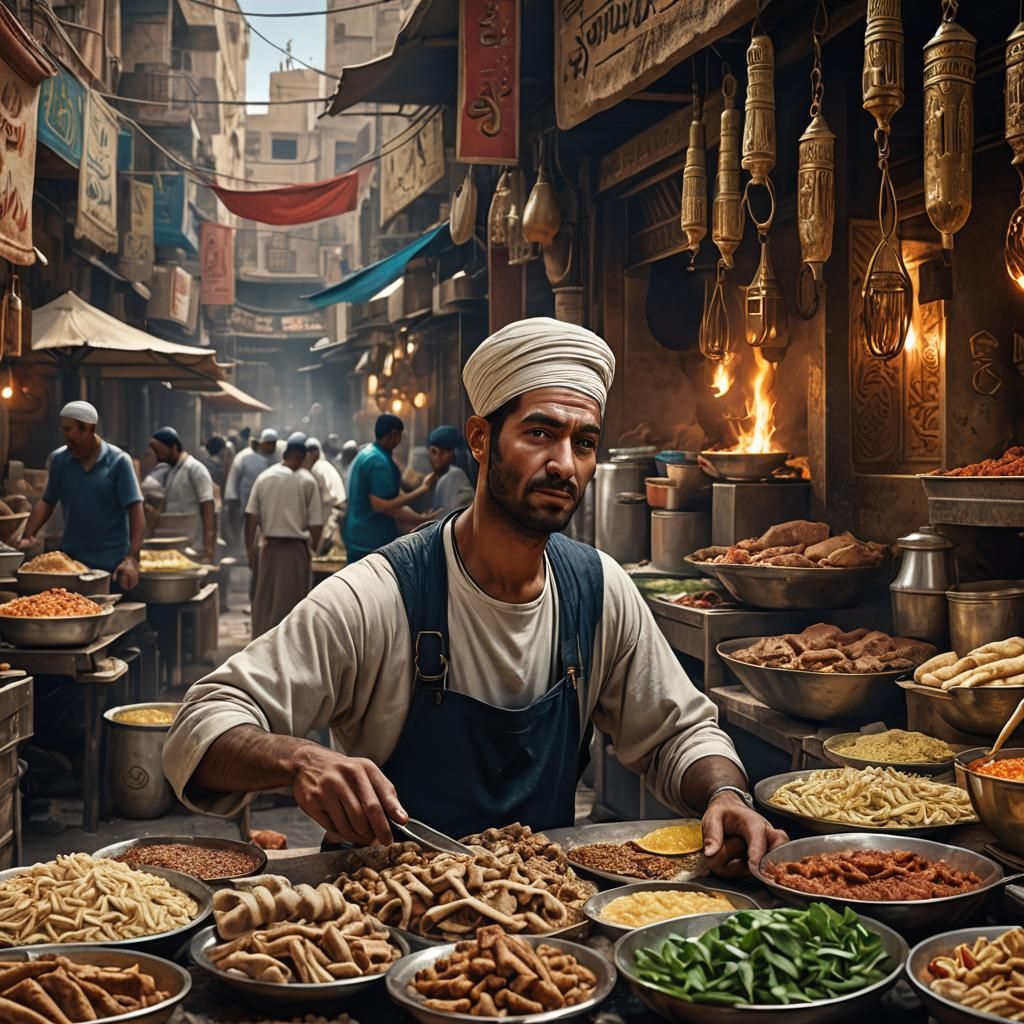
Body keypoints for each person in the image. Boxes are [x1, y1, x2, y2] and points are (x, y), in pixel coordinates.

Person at [165, 318, 786, 875]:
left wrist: (725, 795)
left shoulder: (599, 591)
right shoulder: (381, 595)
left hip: (546, 920)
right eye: (540, 433)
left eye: (585, 443)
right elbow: (201, 726)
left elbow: (679, 732)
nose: (564, 464)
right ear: (481, 440)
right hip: (383, 924)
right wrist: (301, 761)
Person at [20, 401, 144, 589]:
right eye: (63, 431)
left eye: (70, 431)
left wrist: (132, 559)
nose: (66, 438)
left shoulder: (119, 462)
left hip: (112, 570)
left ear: (88, 429)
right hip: (71, 569)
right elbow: (47, 502)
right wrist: (28, 535)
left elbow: (135, 510)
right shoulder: (59, 460)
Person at [245, 432, 323, 639]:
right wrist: (313, 547)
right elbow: (316, 524)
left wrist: (249, 549)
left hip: (268, 548)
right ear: (299, 455)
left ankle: (261, 646)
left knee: (266, 602)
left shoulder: (265, 477)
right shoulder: (307, 481)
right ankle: (289, 648)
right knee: (292, 605)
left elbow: (251, 515)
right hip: (295, 551)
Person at [342, 415, 434, 563]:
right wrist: (423, 495)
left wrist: (419, 516)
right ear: (393, 434)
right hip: (370, 543)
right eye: (401, 435)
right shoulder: (378, 462)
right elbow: (387, 507)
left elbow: (396, 499)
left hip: (357, 538)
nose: (401, 441)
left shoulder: (367, 453)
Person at [149, 427, 216, 561]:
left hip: (194, 545)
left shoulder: (195, 469)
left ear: (174, 447)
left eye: (161, 450)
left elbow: (208, 506)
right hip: (178, 544)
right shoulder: (173, 470)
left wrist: (208, 549)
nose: (158, 455)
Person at [224, 428, 278, 540]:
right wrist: (233, 499)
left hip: (264, 504)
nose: (273, 447)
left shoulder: (271, 458)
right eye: (270, 444)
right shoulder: (244, 456)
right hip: (243, 503)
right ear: (263, 443)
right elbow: (233, 480)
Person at [427, 425, 475, 513]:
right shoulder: (439, 478)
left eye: (444, 452)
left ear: (456, 453)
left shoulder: (456, 475)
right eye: (433, 451)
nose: (437, 457)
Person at [303, 437, 346, 514]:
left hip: (332, 512)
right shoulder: (325, 465)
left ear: (315, 453)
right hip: (341, 508)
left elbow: (315, 499)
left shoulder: (317, 469)